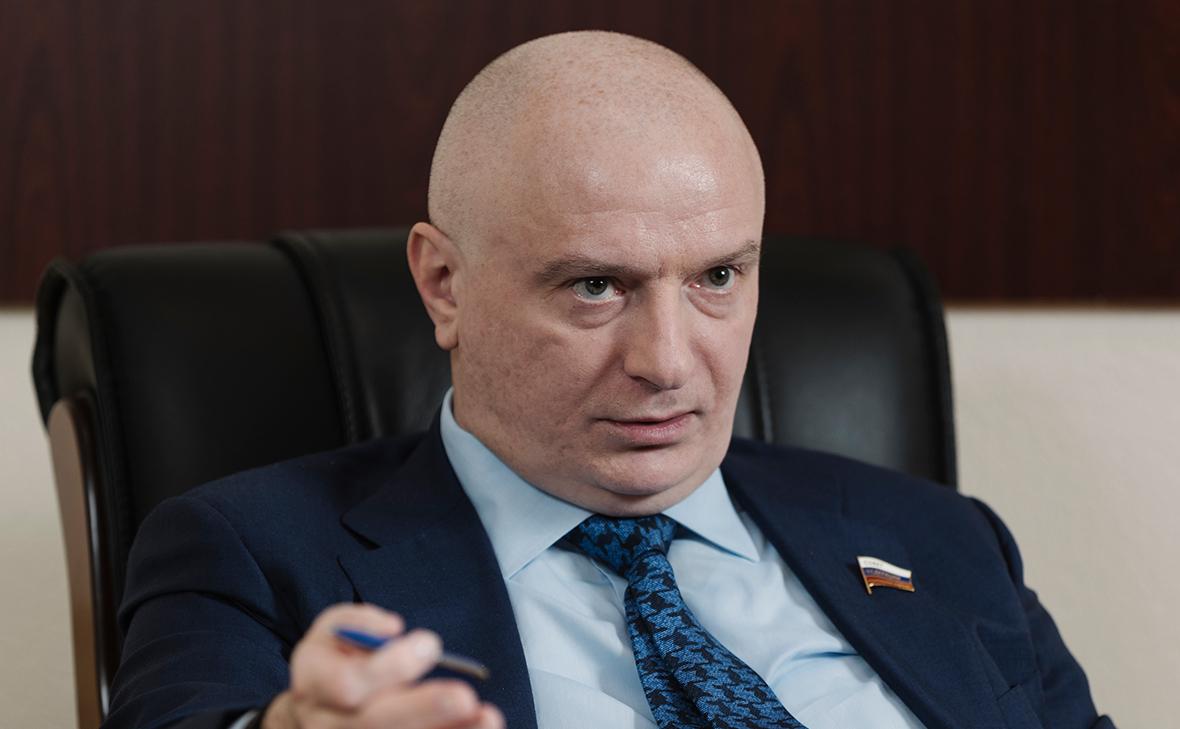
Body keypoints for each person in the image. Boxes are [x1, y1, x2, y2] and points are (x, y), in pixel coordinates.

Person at [105, 31, 1114, 729]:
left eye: (718, 278)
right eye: (595, 286)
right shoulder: (248, 553)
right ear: (444, 284)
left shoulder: (942, 538)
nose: (668, 362)